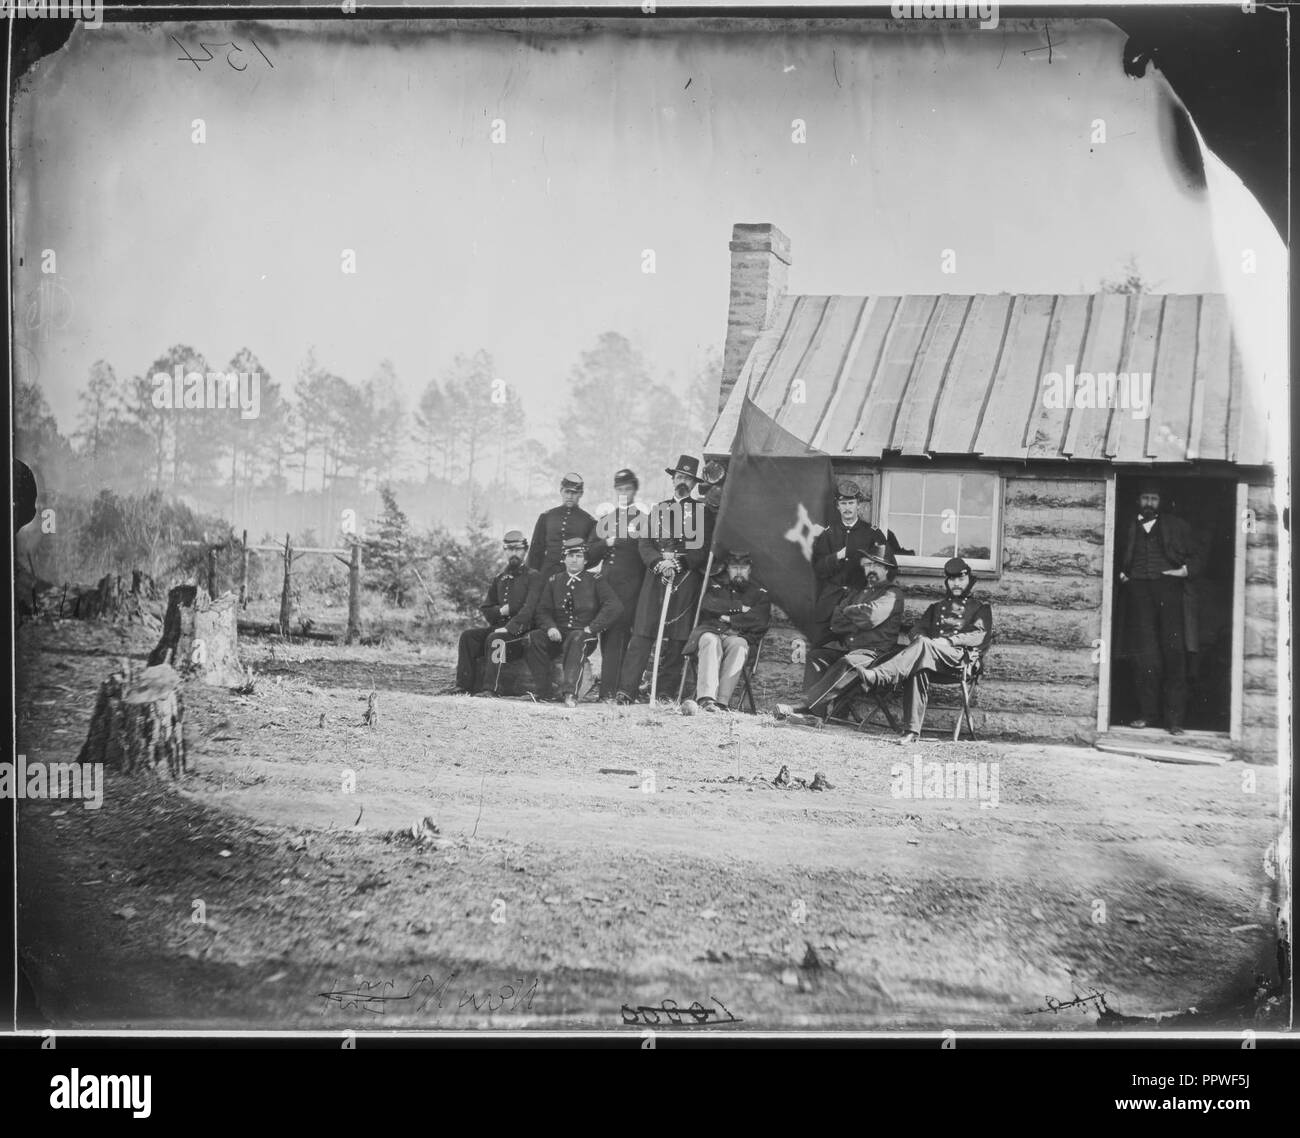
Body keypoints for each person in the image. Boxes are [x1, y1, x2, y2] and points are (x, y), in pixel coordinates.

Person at [848, 556, 993, 744]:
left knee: (923, 648)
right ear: (947, 581)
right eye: (952, 580)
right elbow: (917, 630)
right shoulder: (936, 608)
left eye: (960, 579)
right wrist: (922, 639)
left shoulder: (981, 608)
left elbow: (979, 635)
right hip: (932, 657)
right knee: (918, 663)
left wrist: (947, 642)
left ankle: (879, 676)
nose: (956, 584)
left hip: (961, 659)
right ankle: (911, 732)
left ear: (969, 580)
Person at [616, 455, 709, 703]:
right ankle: (627, 690)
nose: (682, 481)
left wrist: (677, 564)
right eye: (679, 476)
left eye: (687, 478)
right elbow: (645, 544)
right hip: (655, 579)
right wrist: (659, 563)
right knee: (643, 633)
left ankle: (664, 692)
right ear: (672, 480)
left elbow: (700, 551)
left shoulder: (700, 512)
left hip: (684, 580)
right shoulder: (657, 510)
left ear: (693, 484)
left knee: (678, 639)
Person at [1116, 481, 1203, 735]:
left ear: (1161, 502)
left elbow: (1199, 554)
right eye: (1145, 498)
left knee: (1174, 654)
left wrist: (1184, 571)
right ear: (1138, 501)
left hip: (1169, 590)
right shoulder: (1127, 526)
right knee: (1145, 656)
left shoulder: (1177, 526)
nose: (1149, 503)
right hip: (1138, 592)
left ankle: (1174, 721)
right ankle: (1147, 714)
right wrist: (1122, 575)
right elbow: (1113, 554)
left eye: (1154, 499)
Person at [797, 546, 907, 715]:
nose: (871, 569)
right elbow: (836, 623)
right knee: (817, 656)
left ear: (886, 569)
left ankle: (806, 705)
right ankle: (816, 715)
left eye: (876, 565)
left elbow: (870, 617)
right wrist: (857, 617)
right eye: (868, 565)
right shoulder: (857, 593)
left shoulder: (892, 594)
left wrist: (848, 611)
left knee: (848, 662)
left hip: (875, 657)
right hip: (851, 650)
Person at [526, 537, 623, 707]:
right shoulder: (554, 581)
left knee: (577, 638)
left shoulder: (595, 580)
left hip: (584, 635)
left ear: (586, 560)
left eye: (578, 556)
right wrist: (550, 627)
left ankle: (570, 694)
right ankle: (544, 692)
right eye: (570, 556)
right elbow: (542, 610)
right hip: (558, 635)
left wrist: (593, 627)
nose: (574, 560)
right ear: (564, 559)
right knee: (533, 638)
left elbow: (614, 606)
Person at [449, 530, 543, 695]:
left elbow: (530, 609)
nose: (514, 553)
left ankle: (490, 690)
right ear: (505, 551)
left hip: (522, 633)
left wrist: (509, 627)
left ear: (525, 551)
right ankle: (463, 687)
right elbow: (486, 609)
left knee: (496, 639)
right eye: (509, 549)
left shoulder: (533, 577)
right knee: (468, 637)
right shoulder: (500, 578)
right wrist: (501, 610)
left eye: (518, 549)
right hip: (500, 628)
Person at [810, 480, 903, 645]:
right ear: (837, 506)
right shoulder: (828, 534)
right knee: (822, 650)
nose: (847, 508)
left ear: (858, 505)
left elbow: (890, 568)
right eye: (843, 503)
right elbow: (817, 569)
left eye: (851, 503)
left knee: (852, 649)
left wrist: (871, 589)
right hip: (829, 604)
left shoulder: (872, 533)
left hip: (859, 602)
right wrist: (835, 557)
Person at [585, 469, 649, 701]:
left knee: (622, 637)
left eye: (628, 489)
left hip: (631, 588)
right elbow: (589, 556)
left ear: (634, 490)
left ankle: (618, 692)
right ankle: (610, 692)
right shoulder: (606, 520)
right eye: (620, 489)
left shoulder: (643, 520)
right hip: (606, 587)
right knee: (608, 636)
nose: (623, 493)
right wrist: (606, 542)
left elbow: (647, 555)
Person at [685, 550, 771, 712]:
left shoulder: (759, 592)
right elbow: (708, 605)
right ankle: (706, 699)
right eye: (734, 567)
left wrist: (728, 618)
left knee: (739, 645)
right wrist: (739, 609)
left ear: (749, 570)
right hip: (712, 631)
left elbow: (759, 620)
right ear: (728, 569)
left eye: (743, 568)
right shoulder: (715, 585)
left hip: (739, 636)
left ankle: (721, 702)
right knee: (710, 640)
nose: (738, 572)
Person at [527, 472, 597, 581]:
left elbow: (592, 554)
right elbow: (536, 550)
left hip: (574, 577)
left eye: (574, 493)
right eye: (567, 491)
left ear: (581, 494)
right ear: (561, 491)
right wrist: (532, 577)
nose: (569, 496)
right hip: (547, 575)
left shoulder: (588, 521)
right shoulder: (547, 516)